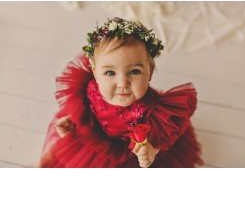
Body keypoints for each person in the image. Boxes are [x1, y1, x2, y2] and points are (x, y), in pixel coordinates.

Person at [40, 17, 203, 168]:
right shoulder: (89, 89)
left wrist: (152, 150)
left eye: (134, 72)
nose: (122, 83)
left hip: (132, 157)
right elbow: (86, 111)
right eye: (110, 73)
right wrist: (73, 121)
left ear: (150, 72)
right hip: (97, 144)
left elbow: (162, 136)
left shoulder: (155, 111)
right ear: (95, 72)